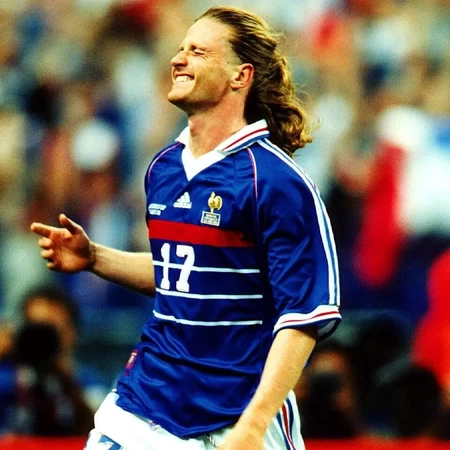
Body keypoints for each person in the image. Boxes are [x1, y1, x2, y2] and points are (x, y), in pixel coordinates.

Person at [30, 6, 341, 450]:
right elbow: (183, 274)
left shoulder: (276, 182)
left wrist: (254, 424)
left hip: (232, 415)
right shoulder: (164, 168)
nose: (178, 59)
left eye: (198, 51)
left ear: (240, 76)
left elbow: (302, 317)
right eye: (181, 49)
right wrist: (96, 257)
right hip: (145, 401)